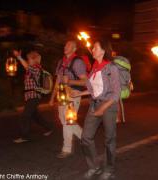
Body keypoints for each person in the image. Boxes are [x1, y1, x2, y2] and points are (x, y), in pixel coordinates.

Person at [71, 39, 121, 180]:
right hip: (94, 104)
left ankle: (109, 170)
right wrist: (79, 93)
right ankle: (94, 166)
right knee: (86, 138)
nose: (92, 50)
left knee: (109, 139)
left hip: (109, 106)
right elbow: (93, 89)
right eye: (92, 48)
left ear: (103, 51)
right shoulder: (94, 67)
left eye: (95, 48)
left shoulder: (111, 67)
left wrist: (102, 109)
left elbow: (116, 93)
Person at [49, 40, 87, 158]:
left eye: (69, 45)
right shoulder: (61, 62)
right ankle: (86, 139)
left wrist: (69, 81)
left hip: (73, 93)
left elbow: (85, 81)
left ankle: (66, 148)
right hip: (62, 94)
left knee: (67, 121)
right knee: (64, 120)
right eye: (65, 44)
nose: (65, 46)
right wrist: (52, 98)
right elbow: (58, 81)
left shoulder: (78, 62)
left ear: (74, 49)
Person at [13, 50, 53, 144]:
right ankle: (50, 128)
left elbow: (26, 66)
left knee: (25, 116)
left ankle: (24, 136)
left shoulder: (36, 68)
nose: (28, 60)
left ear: (34, 60)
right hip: (31, 96)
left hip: (34, 96)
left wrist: (19, 57)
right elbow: (27, 67)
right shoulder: (32, 69)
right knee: (35, 116)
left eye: (29, 59)